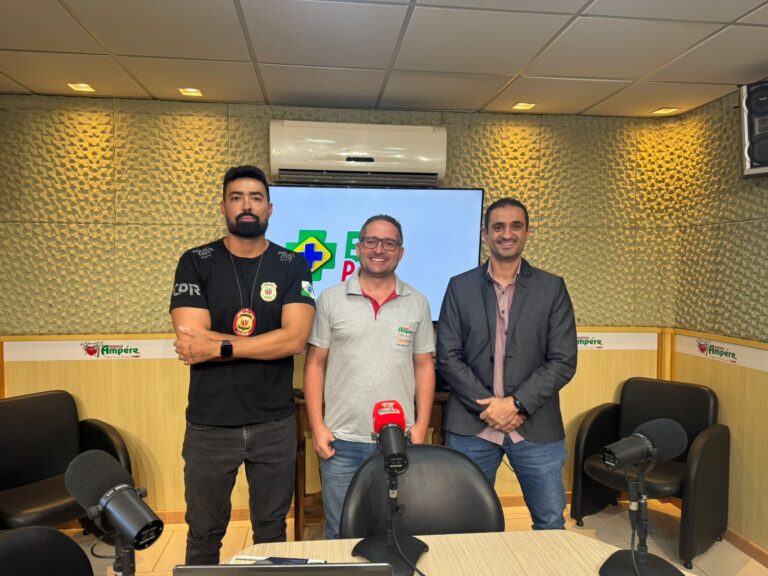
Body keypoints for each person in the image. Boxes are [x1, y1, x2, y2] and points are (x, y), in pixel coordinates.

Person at [169, 165, 315, 564]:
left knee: (272, 530)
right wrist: (266, 342)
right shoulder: (196, 261)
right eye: (236, 198)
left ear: (270, 208)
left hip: (274, 423)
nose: (246, 205)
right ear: (223, 207)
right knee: (204, 532)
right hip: (210, 425)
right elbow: (191, 337)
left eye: (255, 198)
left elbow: (295, 339)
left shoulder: (292, 264)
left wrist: (219, 347)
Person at [436, 198, 577, 530]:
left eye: (516, 226)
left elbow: (563, 359)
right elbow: (448, 356)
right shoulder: (460, 286)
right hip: (472, 426)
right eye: (498, 227)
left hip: (536, 426)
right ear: (485, 234)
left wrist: (515, 404)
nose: (507, 234)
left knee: (550, 522)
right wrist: (490, 408)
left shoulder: (551, 288)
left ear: (528, 232)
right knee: (465, 522)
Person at [304, 215, 436, 539]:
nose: (380, 249)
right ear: (358, 247)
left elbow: (424, 366)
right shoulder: (330, 299)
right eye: (371, 241)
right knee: (340, 530)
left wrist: (421, 425)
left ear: (400, 252)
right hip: (341, 441)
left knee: (396, 528)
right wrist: (318, 426)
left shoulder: (417, 302)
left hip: (398, 439)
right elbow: (315, 364)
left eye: (389, 243)